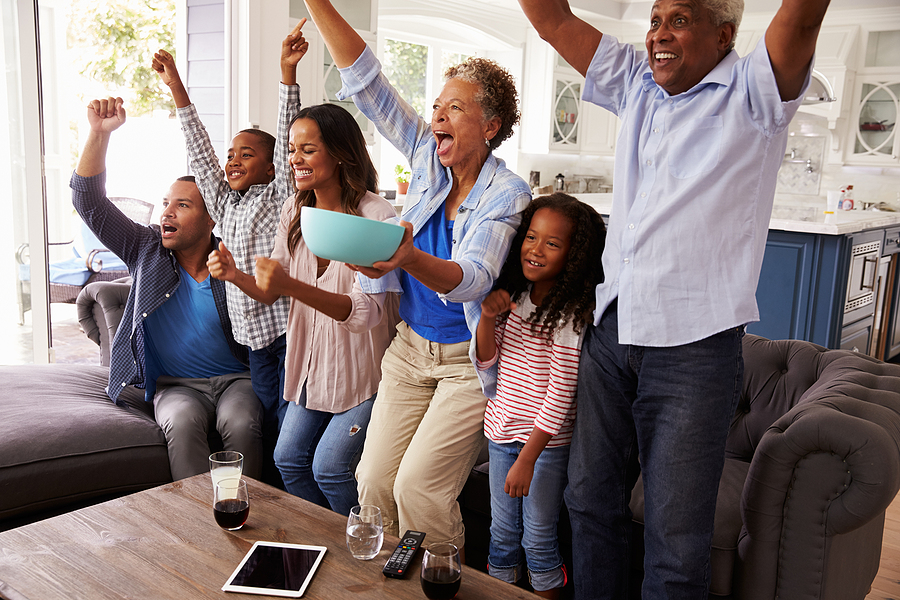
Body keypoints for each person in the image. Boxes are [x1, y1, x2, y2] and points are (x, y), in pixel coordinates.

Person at [515, 0, 830, 597]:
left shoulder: (754, 91)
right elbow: (552, 19)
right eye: (655, 19)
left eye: (679, 19)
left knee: (676, 541)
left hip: (693, 349)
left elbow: (805, 17)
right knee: (587, 504)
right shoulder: (636, 80)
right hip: (611, 332)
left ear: (724, 35)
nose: (659, 34)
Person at [301, 0, 531, 551]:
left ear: (491, 125)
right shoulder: (430, 158)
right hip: (408, 351)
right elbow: (369, 85)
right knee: (373, 481)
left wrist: (405, 258)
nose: (438, 117)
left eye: (454, 108)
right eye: (436, 107)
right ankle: (389, 586)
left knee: (419, 490)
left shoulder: (507, 193)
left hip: (465, 364)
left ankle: (441, 583)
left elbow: (474, 278)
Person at [207, 100, 400, 515]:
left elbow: (366, 314)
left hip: (364, 374)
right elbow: (270, 290)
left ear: (341, 152)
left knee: (330, 468)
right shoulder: (296, 209)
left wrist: (290, 284)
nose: (295, 158)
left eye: (307, 149)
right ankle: (330, 543)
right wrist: (235, 275)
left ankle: (371, 543)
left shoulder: (377, 215)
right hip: (311, 370)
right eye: (292, 150)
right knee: (288, 459)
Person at [71, 97, 263, 481]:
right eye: (164, 204)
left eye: (182, 205)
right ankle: (194, 522)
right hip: (176, 386)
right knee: (180, 420)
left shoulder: (235, 256)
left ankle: (249, 512)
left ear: (211, 218)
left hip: (237, 380)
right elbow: (88, 202)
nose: (166, 213)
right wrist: (98, 133)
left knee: (241, 422)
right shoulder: (146, 248)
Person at [151, 22, 306, 481]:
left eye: (247, 155)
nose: (233, 160)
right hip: (253, 347)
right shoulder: (223, 204)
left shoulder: (279, 193)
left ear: (272, 166)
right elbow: (199, 151)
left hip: (283, 336)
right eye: (232, 154)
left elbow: (284, 135)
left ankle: (283, 498)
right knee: (265, 425)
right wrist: (177, 87)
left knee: (282, 427)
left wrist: (287, 75)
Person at [475, 193, 606, 599]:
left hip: (543, 448)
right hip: (500, 435)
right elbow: (486, 363)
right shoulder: (512, 299)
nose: (536, 249)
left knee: (537, 538)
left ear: (574, 255)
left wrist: (528, 459)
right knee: (502, 534)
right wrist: (486, 317)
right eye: (532, 237)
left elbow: (562, 394)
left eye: (552, 243)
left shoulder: (569, 317)